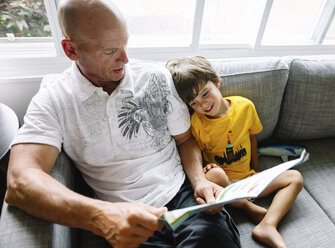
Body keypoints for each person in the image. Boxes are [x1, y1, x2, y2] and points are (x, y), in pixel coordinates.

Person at [5, 1, 241, 248]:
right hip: (121, 213)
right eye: (110, 51)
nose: (125, 58)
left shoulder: (155, 77)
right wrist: (101, 216)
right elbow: (20, 182)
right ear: (70, 50)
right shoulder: (53, 100)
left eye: (125, 44)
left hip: (183, 193)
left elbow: (185, 139)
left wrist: (200, 182)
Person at [166, 56, 304, 248]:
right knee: (214, 174)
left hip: (249, 179)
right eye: (194, 103)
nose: (203, 105)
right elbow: (197, 156)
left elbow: (252, 139)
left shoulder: (245, 107)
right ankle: (249, 208)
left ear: (217, 82)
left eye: (205, 94)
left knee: (295, 177)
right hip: (225, 186)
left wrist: (256, 171)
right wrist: (208, 167)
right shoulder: (197, 123)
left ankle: (268, 225)